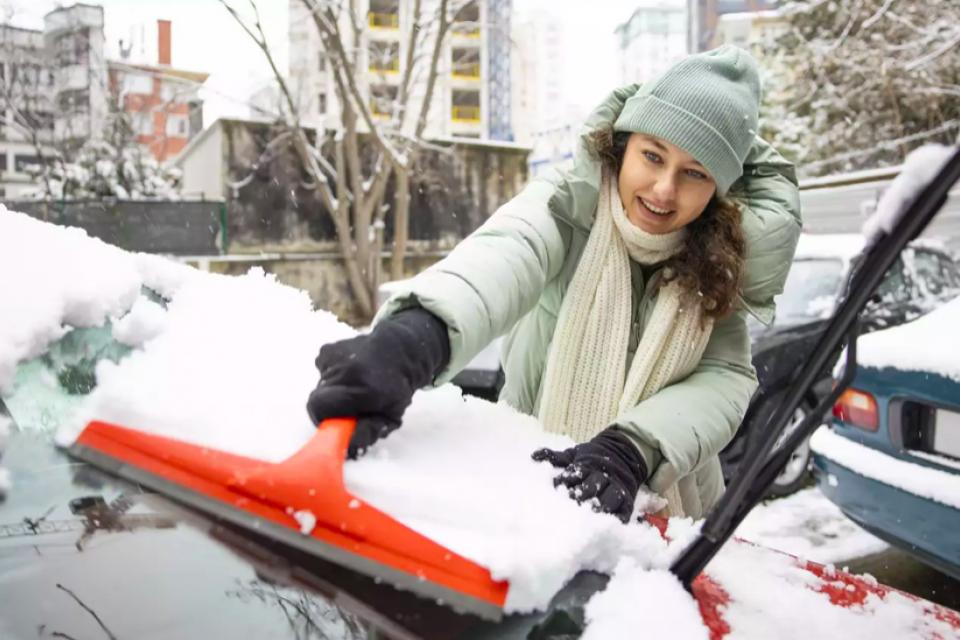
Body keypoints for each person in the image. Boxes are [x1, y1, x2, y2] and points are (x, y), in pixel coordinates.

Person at [307, 45, 802, 523]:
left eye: (694, 173)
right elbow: (509, 251)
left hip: (668, 509)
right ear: (625, 144)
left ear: (718, 190)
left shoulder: (719, 258)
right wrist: (417, 336)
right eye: (653, 156)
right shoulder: (571, 204)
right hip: (531, 479)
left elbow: (726, 378)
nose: (664, 189)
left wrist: (633, 448)